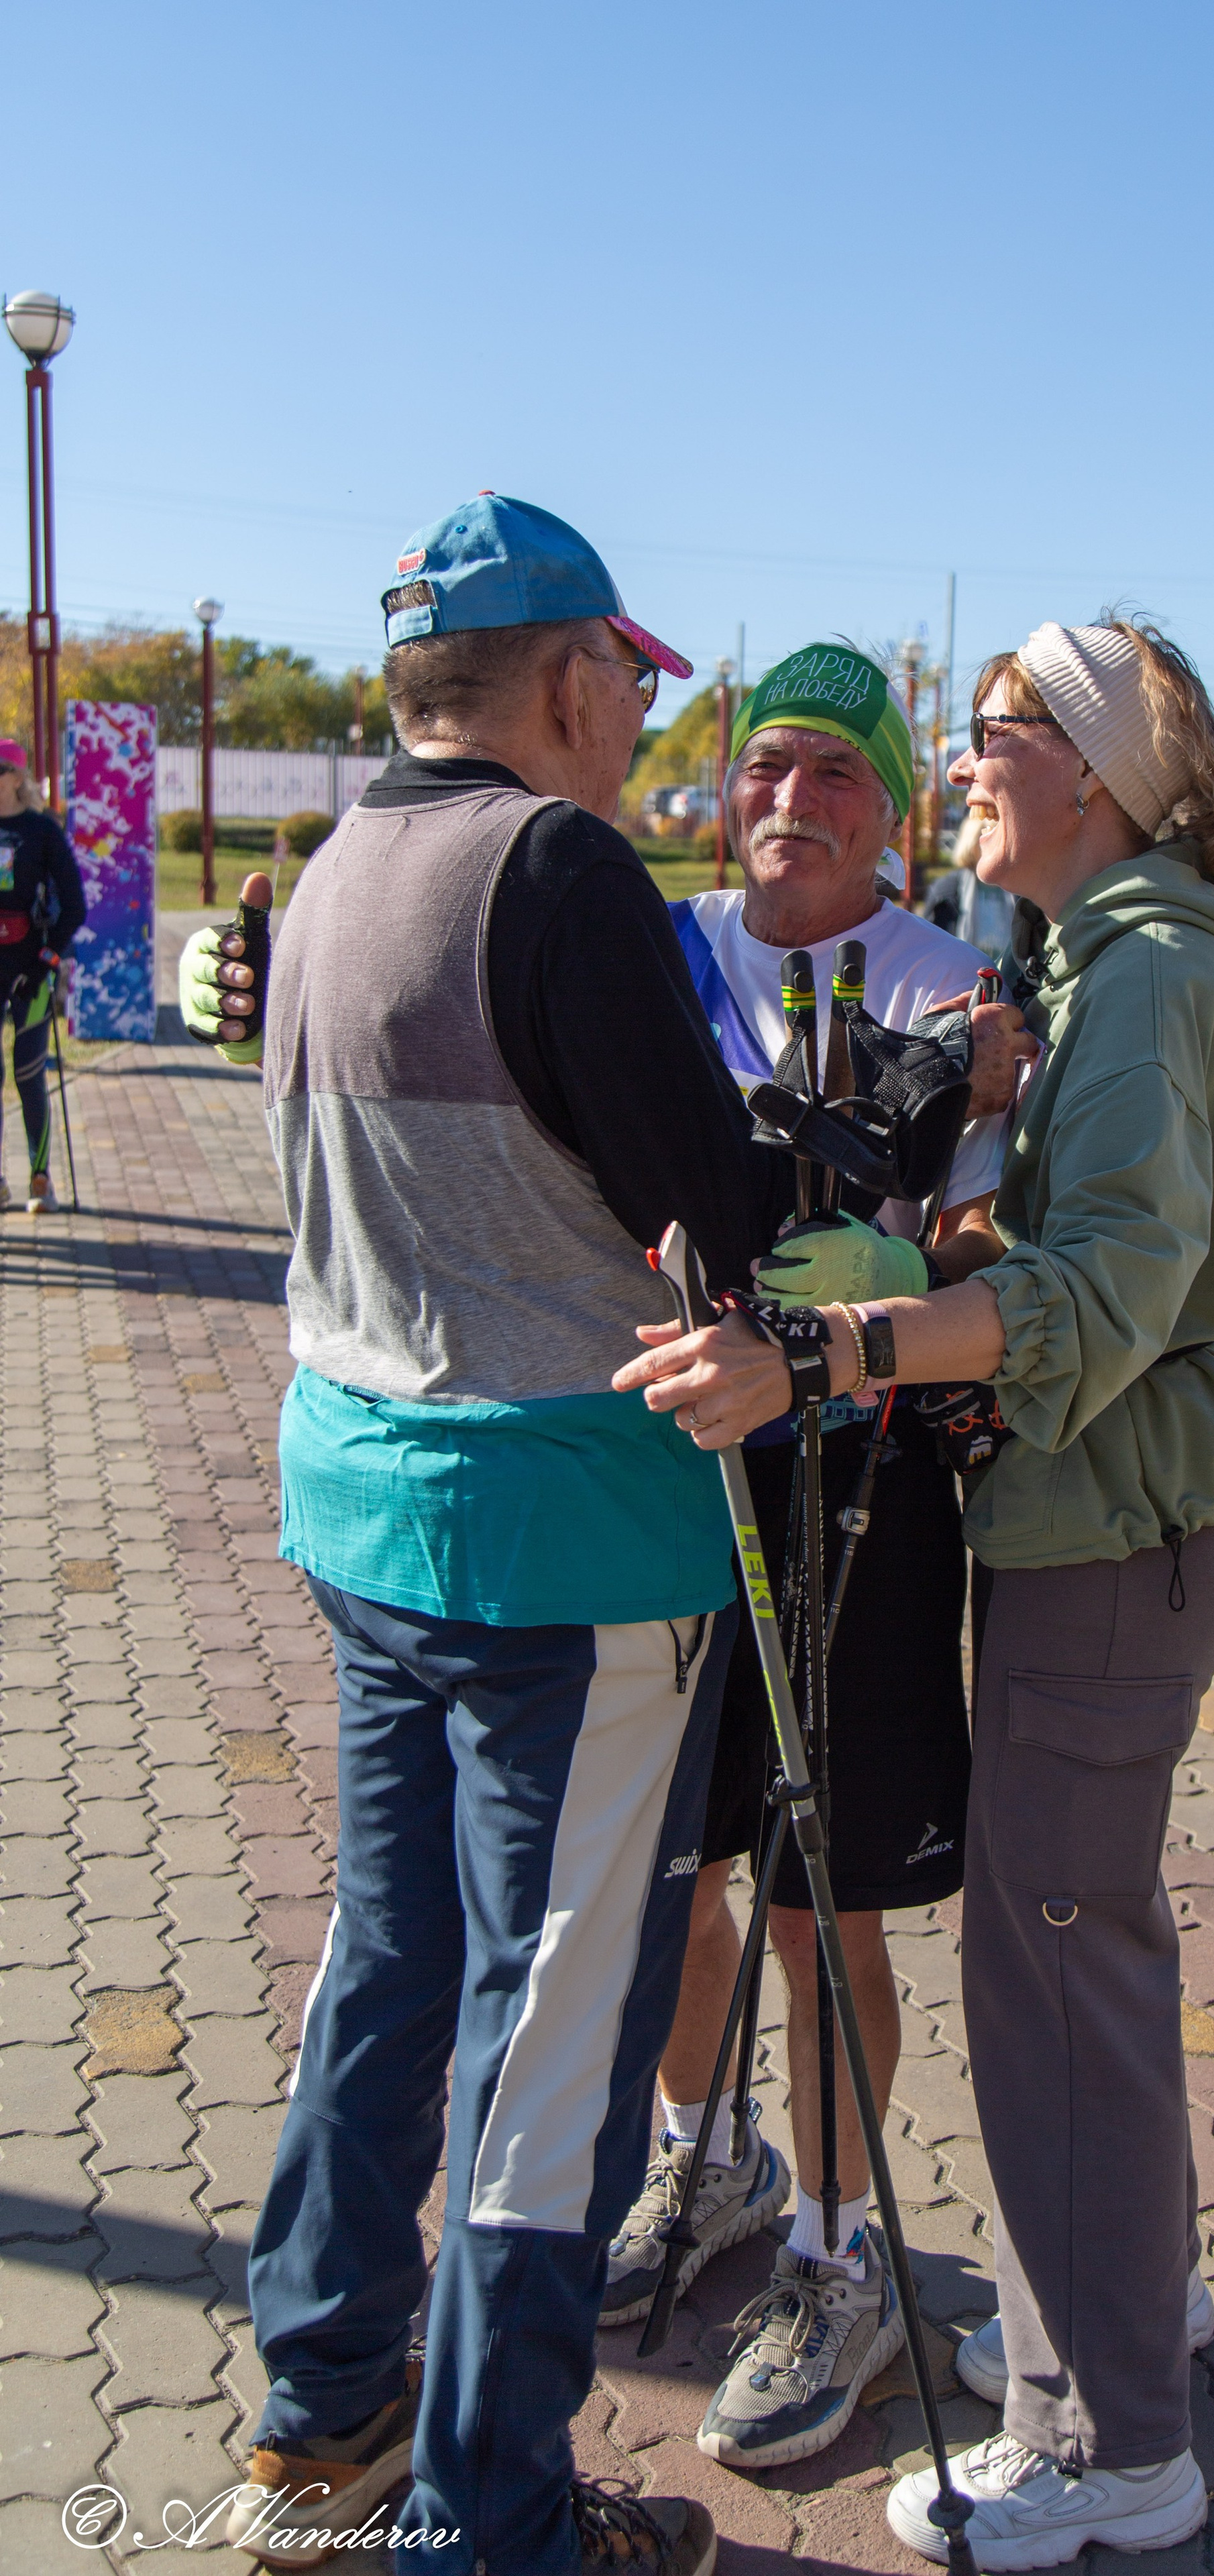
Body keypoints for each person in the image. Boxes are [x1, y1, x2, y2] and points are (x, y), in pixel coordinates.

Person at [189, 495, 869, 2576]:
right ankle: (494, 2514)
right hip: (563, 1533)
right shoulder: (552, 866)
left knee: (383, 1967)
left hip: (366, 1498)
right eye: (635, 685)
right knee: (552, 2021)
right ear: (568, 677)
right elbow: (712, 1211)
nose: (639, 726)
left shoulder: (328, 872)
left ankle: (324, 2414)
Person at [618, 616, 1214, 2565]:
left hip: (1121, 1523)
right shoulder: (1095, 956)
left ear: (1089, 771)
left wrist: (835, 1349)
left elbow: (1101, 1295)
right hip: (1113, 1512)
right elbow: (1087, 1226)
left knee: (1048, 1966)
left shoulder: (1150, 968)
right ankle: (1131, 2294)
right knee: (1095, 1942)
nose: (962, 757)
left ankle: (1103, 2438)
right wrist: (926, 1226)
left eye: (994, 730)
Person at [600, 638, 1036, 2473]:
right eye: (768, 764)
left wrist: (899, 1264)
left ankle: (845, 2256)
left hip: (859, 1486)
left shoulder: (961, 976)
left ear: (895, 805)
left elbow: (1001, 1225)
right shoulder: (659, 940)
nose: (790, 800)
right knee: (677, 1875)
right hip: (669, 1477)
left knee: (817, 1899)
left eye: (833, 774)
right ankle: (706, 2164)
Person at [0, 738, 85, 1213]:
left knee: (29, 1072)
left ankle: (40, 1178)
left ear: (16, 777)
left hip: (30, 967)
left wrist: (50, 958)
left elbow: (74, 904)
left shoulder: (41, 831)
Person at [923, 810, 1017, 962]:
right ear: (972, 846)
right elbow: (929, 947)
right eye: (987, 841)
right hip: (959, 977)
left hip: (1012, 980)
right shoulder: (946, 891)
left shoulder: (1020, 889)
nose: (995, 850)